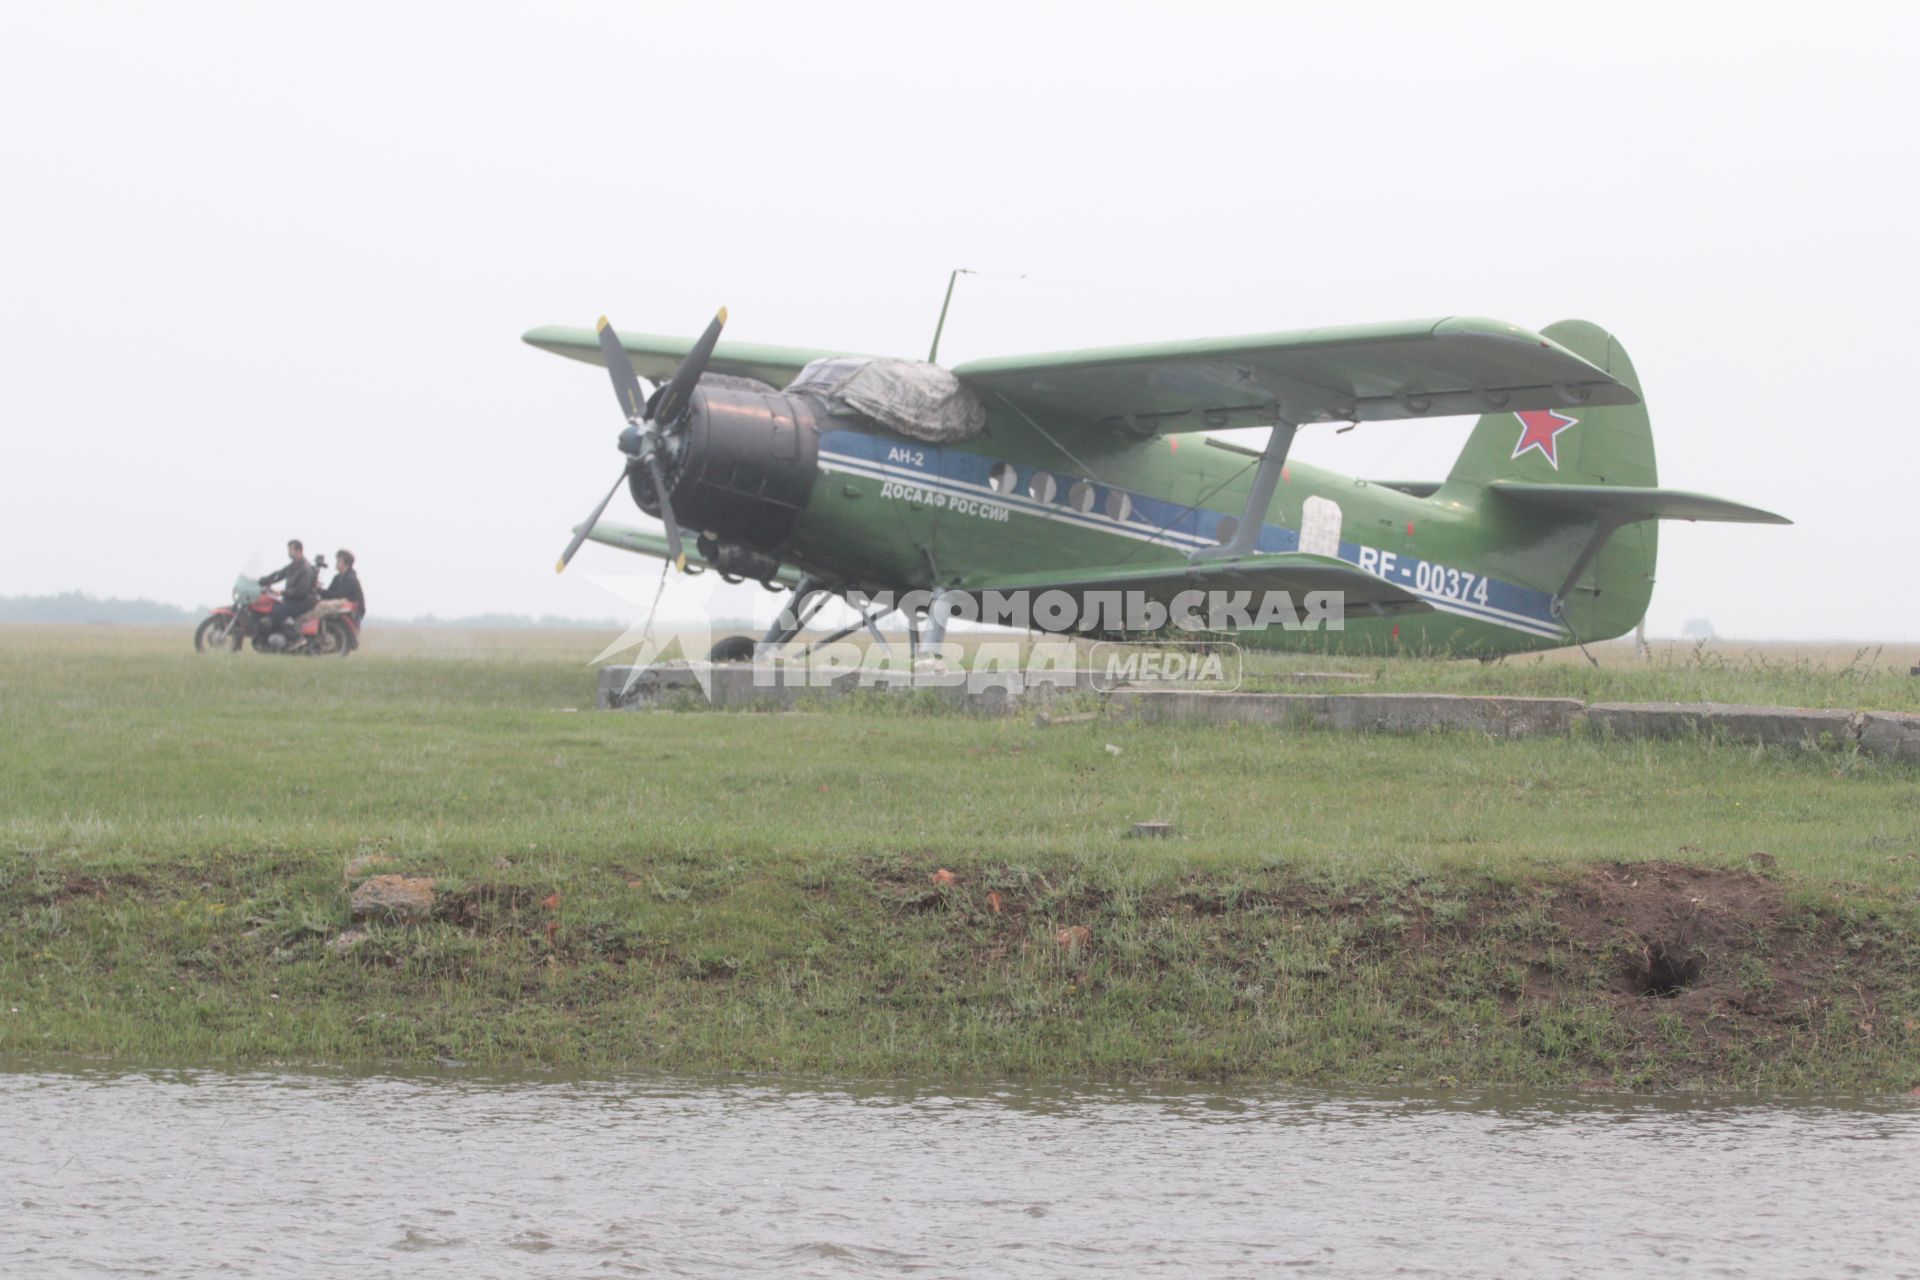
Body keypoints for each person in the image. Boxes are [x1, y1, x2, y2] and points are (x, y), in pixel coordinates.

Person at [258, 539, 318, 637]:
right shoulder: (293, 565)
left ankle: (296, 637)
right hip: (293, 600)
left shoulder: (305, 568)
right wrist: (259, 581)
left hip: (303, 602)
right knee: (272, 606)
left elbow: (300, 592)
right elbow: (278, 575)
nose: (288, 553)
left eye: (290, 550)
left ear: (298, 551)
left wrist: (282, 593)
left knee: (277, 610)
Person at [323, 549, 365, 619]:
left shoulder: (351, 579)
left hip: (353, 611)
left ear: (347, 564)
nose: (336, 563)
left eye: (339, 561)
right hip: (342, 607)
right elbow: (330, 594)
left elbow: (339, 595)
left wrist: (321, 591)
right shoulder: (337, 578)